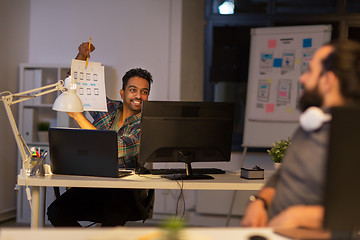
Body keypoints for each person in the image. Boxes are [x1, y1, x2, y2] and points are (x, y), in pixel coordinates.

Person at [241, 39, 360, 229]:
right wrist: (260, 202)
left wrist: (299, 217)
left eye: (311, 71)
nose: (302, 78)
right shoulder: (311, 124)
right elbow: (282, 177)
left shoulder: (351, 137)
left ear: (328, 80)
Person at [47, 42, 154, 227]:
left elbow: (111, 149)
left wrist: (78, 117)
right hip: (94, 184)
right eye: (133, 90)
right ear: (122, 93)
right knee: (56, 211)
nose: (138, 96)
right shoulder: (108, 108)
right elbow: (75, 86)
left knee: (112, 219)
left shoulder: (147, 125)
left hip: (125, 192)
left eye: (144, 92)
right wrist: (81, 57)